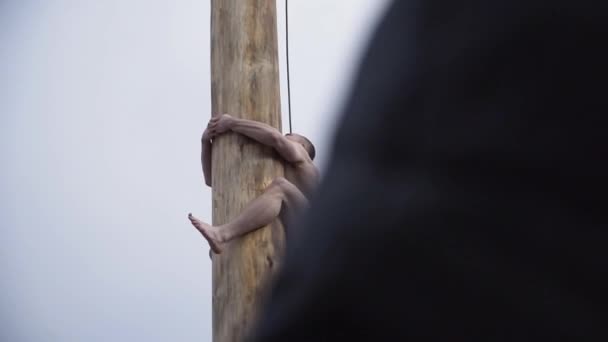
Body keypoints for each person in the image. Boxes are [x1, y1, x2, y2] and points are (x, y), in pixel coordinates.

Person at [250, 0, 608, 341]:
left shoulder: (303, 158)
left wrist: (234, 123)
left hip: (380, 271)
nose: (288, 136)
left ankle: (224, 233)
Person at [188, 114, 319, 255]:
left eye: (289, 135)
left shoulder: (302, 155)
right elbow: (211, 181)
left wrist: (231, 123)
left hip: (314, 228)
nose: (284, 135)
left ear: (302, 145)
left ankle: (222, 234)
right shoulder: (280, 167)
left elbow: (275, 138)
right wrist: (205, 142)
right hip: (297, 244)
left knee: (281, 187)